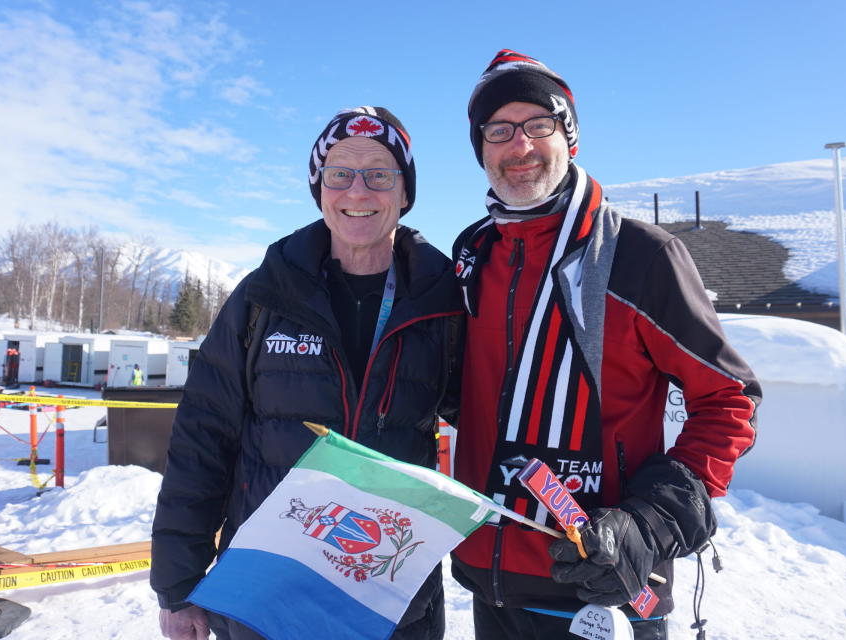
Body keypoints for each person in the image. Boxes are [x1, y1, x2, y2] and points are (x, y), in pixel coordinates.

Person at [450, 50, 761, 640]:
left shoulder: (640, 256)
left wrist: (653, 520)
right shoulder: (473, 254)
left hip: (605, 585)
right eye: (499, 130)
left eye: (539, 125)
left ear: (570, 137)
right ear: (481, 148)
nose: (520, 147)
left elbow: (730, 400)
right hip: (490, 578)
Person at [152, 106, 463, 640]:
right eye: (340, 174)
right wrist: (178, 583)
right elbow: (203, 437)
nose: (358, 192)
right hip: (266, 594)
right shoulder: (264, 296)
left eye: (379, 175)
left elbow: (492, 420)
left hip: (390, 597)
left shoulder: (441, 300)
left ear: (405, 193)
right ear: (319, 189)